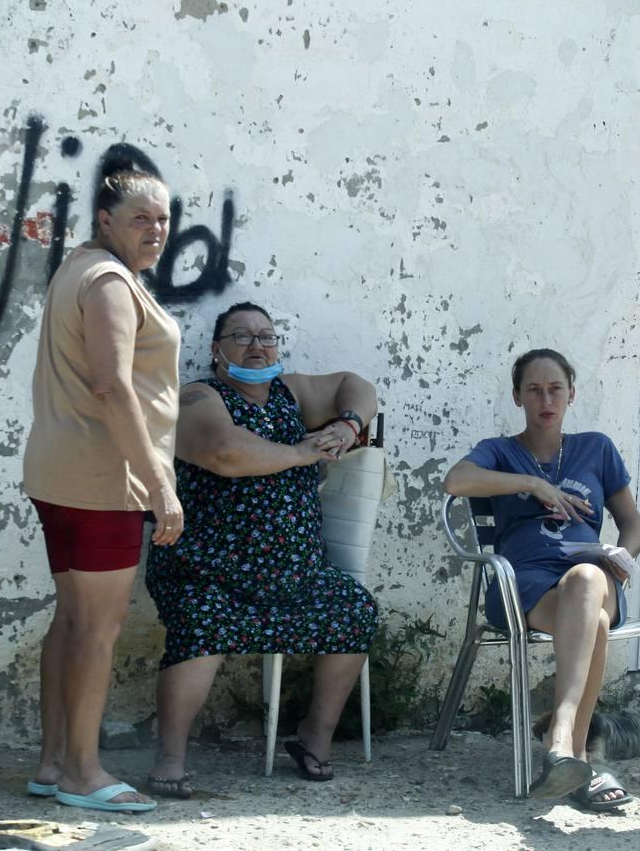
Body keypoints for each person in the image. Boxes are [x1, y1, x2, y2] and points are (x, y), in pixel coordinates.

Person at [143, 301, 379, 795]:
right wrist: (301, 451)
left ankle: (314, 740)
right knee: (200, 625)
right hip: (208, 571)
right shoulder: (197, 397)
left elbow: (354, 385)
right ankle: (170, 759)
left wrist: (349, 425)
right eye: (242, 337)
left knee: (354, 609)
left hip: (295, 576)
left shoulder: (290, 392)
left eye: (266, 337)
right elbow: (224, 453)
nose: (257, 346)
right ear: (216, 350)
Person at [20, 147, 183, 814]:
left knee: (73, 620)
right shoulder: (110, 281)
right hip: (103, 480)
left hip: (63, 474)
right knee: (98, 626)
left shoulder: (82, 269)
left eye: (164, 220)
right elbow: (112, 385)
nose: (155, 230)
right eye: (140, 218)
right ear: (105, 219)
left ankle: (55, 763)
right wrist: (159, 484)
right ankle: (85, 772)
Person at [443, 348, 640, 812]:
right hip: (525, 584)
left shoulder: (597, 447)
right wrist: (529, 484)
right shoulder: (500, 451)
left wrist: (624, 560)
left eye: (555, 388)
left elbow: (632, 523)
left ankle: (560, 738)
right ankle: (574, 757)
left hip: (595, 575)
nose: (545, 399)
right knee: (590, 623)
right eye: (534, 389)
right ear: (518, 397)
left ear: (571, 393)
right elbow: (456, 481)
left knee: (588, 578)